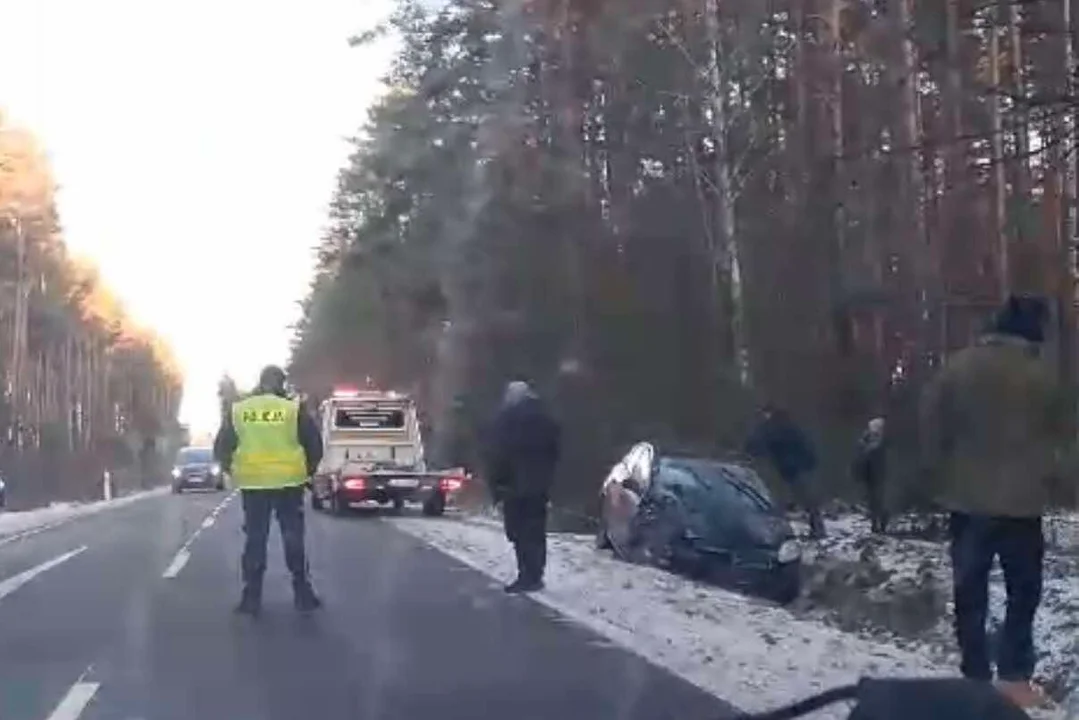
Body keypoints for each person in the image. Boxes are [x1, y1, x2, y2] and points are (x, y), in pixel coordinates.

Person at [920, 294, 1064, 709]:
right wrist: (1049, 475)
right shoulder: (1041, 375)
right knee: (1023, 591)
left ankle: (974, 676)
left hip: (967, 503)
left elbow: (931, 424)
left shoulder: (957, 367)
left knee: (970, 592)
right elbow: (1062, 435)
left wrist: (939, 473)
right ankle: (1015, 677)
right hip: (1022, 505)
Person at [213, 365, 324, 616]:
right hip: (289, 483)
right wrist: (308, 472)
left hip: (254, 484)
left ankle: (251, 597)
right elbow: (314, 444)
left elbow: (221, 447)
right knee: (292, 536)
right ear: (281, 384)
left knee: (255, 539)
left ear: (260, 383)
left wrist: (235, 470)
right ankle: (302, 593)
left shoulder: (241, 410)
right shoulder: (292, 409)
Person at [487, 380, 561, 593]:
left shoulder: (508, 419)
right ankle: (535, 575)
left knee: (519, 532)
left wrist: (497, 486)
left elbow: (499, 453)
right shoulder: (546, 417)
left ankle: (526, 575)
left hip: (514, 487)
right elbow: (555, 450)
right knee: (535, 531)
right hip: (539, 486)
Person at [745, 404, 826, 538]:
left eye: (765, 414)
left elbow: (758, 443)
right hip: (797, 467)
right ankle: (817, 528)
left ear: (769, 413)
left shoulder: (772, 427)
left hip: (787, 468)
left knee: (780, 499)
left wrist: (752, 451)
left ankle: (784, 531)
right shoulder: (790, 425)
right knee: (807, 500)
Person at [853, 416, 889, 533]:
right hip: (878, 478)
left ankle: (878, 525)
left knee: (877, 503)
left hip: (875, 478)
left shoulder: (870, 446)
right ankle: (880, 525)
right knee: (879, 502)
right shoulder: (884, 444)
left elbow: (860, 461)